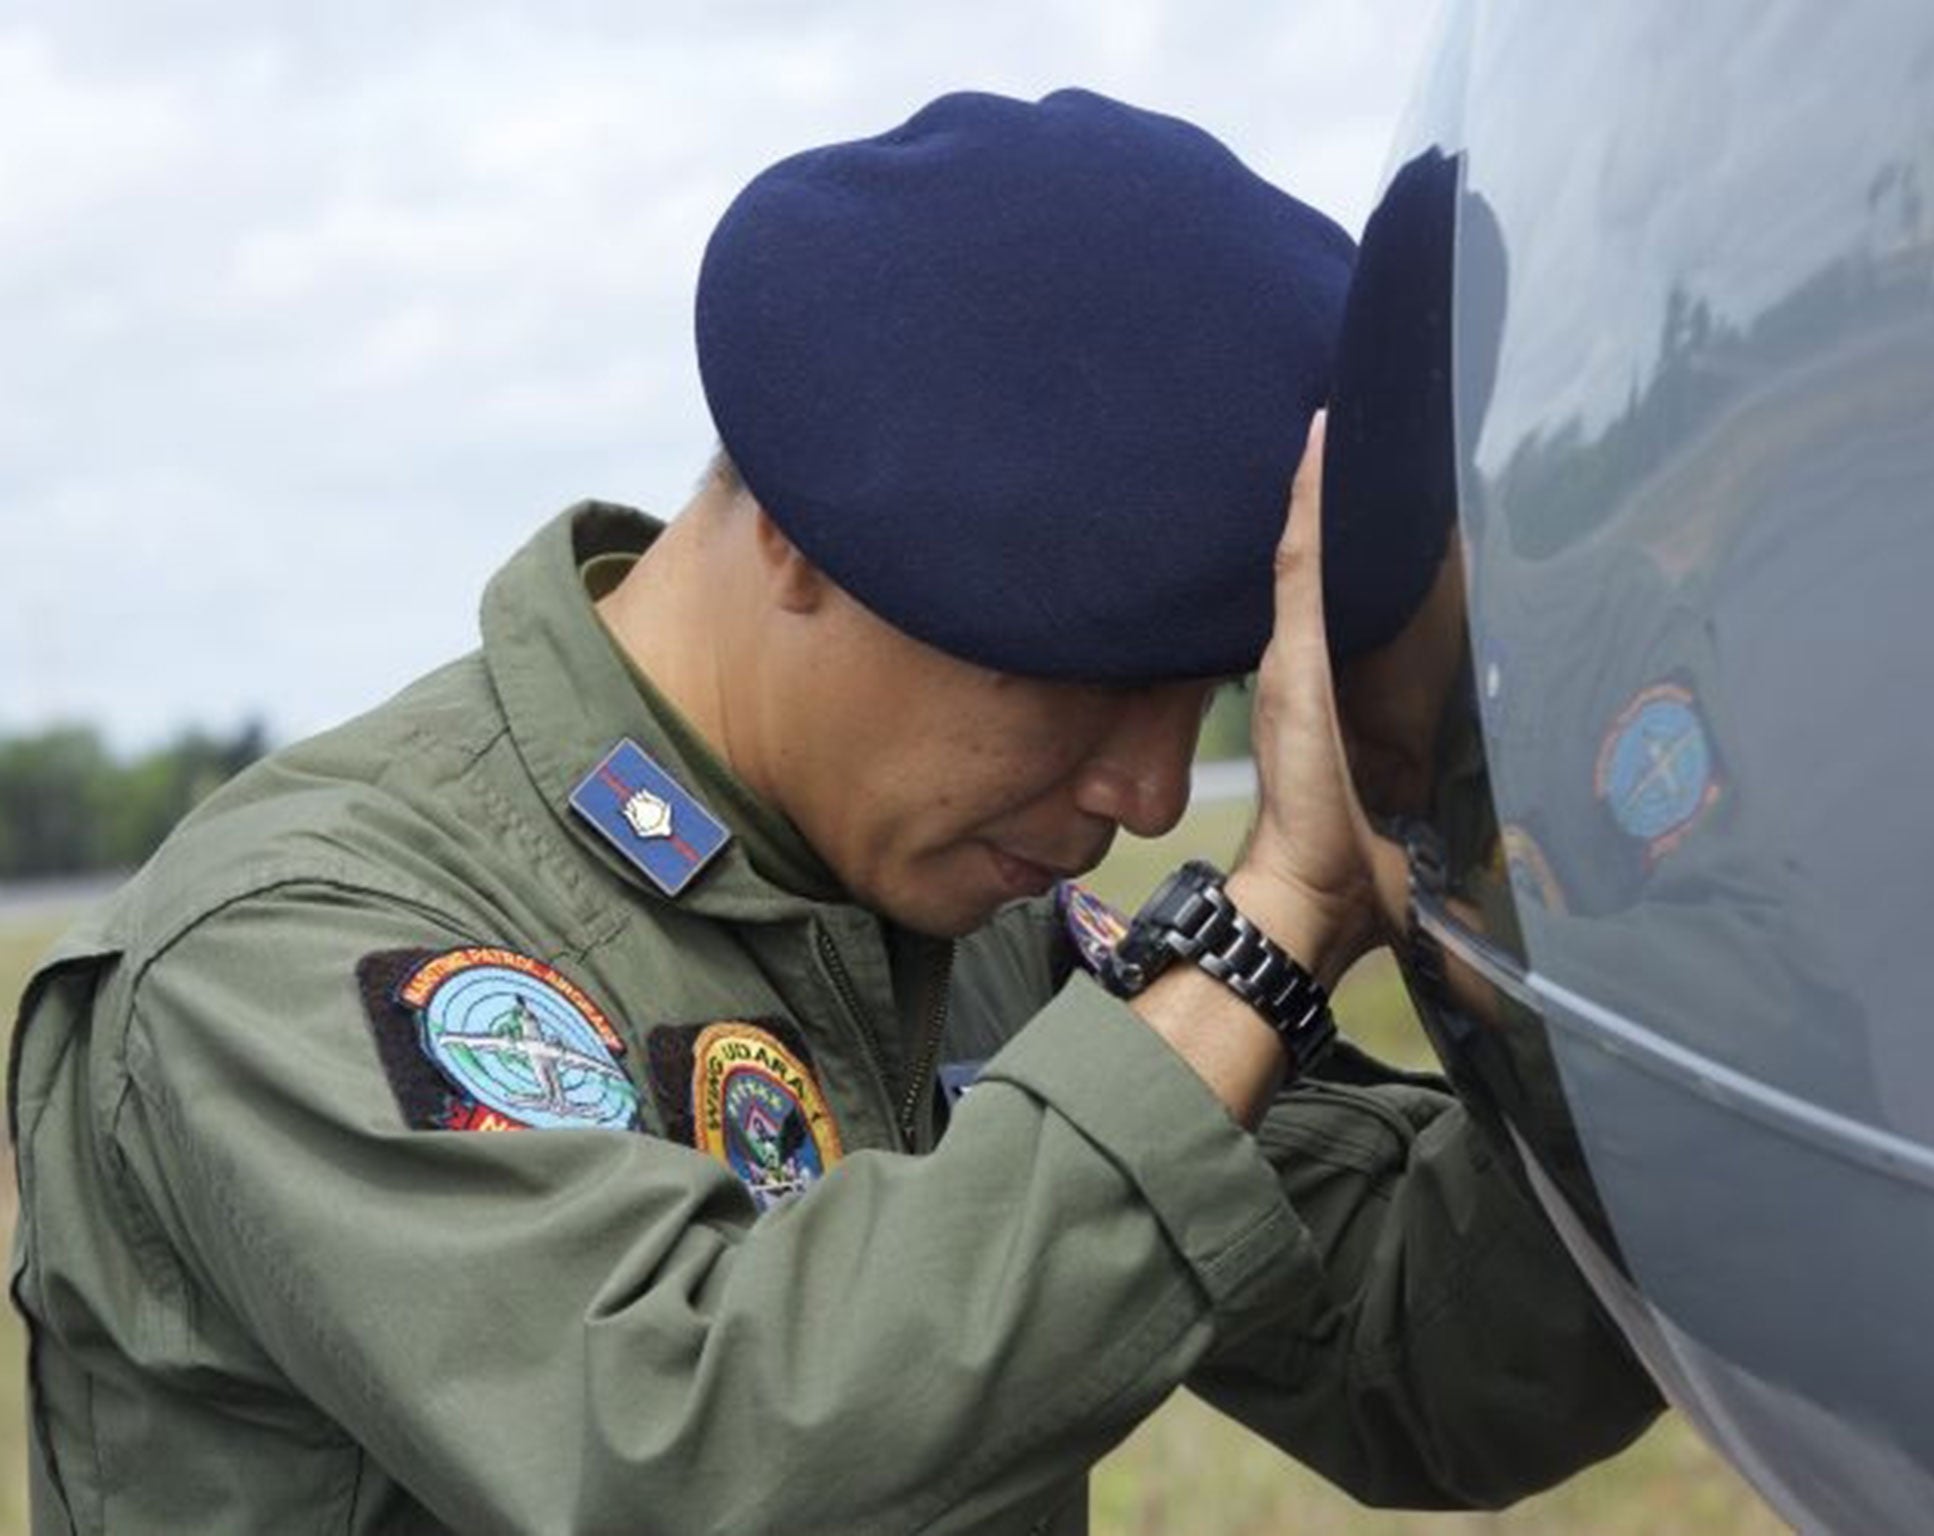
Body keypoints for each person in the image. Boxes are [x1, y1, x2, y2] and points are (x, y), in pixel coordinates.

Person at [9, 91, 1657, 1535]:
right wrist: (1277, 922)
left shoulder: (975, 932)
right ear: (801, 536)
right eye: (1079, 674)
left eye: (1206, 695)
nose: (1151, 793)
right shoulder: (297, 945)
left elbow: (1425, 1366)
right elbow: (697, 1452)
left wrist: (1610, 913)